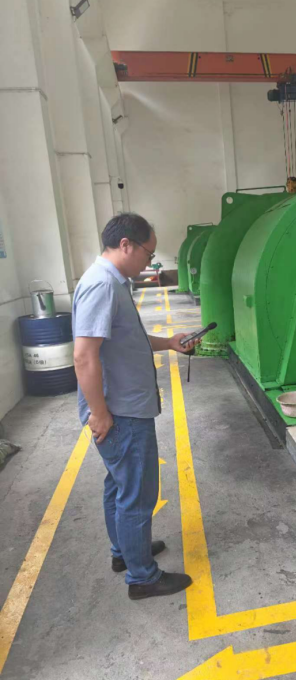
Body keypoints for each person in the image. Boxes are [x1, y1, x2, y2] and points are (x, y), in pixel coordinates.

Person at [72, 213, 199, 601]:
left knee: (119, 485)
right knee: (137, 496)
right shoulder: (102, 285)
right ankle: (143, 578)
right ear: (125, 245)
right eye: (148, 253)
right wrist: (100, 413)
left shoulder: (113, 282)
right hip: (121, 412)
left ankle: (124, 552)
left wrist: (169, 342)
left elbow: (126, 339)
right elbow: (84, 356)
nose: (150, 261)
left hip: (123, 407)